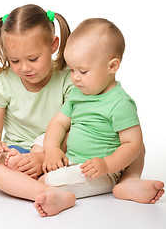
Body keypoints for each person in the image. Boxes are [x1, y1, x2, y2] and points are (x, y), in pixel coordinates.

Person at [0, 7, 164, 217]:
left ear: (53, 45)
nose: (25, 68)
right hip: (20, 152)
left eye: (33, 59)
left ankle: (129, 180)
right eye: (15, 60)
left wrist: (47, 154)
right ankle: (44, 192)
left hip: (62, 151)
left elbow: (76, 126)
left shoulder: (72, 79)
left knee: (133, 141)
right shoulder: (3, 81)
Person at [32, 18, 164, 216]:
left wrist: (106, 165)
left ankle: (64, 197)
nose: (75, 77)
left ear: (112, 67)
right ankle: (127, 184)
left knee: (42, 181)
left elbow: (134, 145)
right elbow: (58, 122)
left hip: (98, 170)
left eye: (83, 71)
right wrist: (51, 149)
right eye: (72, 70)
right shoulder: (78, 93)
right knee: (43, 138)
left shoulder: (119, 103)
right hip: (72, 157)